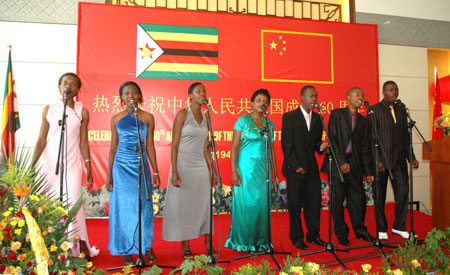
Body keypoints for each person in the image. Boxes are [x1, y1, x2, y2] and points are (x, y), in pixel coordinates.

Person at [32, 72, 99, 259]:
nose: (68, 86)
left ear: (78, 90)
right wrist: (32, 166)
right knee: (51, 205)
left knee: (73, 205)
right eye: (65, 83)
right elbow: (41, 140)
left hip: (72, 165)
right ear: (60, 87)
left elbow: (84, 142)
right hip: (51, 164)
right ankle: (52, 246)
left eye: (73, 84)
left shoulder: (81, 110)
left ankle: (76, 246)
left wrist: (88, 167)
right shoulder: (49, 109)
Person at [106, 81, 160, 264]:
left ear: (139, 96)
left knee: (143, 208)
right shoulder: (115, 118)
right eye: (126, 93)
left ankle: (146, 246)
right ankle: (126, 248)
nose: (130, 96)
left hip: (141, 166)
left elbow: (150, 145)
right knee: (123, 209)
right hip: (121, 168)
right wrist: (108, 175)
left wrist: (156, 171)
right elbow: (113, 148)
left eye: (134, 93)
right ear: (121, 97)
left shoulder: (148, 117)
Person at [162, 82, 216, 258]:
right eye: (198, 91)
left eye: (204, 91)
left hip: (200, 164)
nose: (202, 94)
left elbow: (205, 146)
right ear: (190, 95)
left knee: (204, 204)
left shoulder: (206, 117)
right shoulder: (182, 114)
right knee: (184, 205)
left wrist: (211, 169)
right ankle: (185, 244)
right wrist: (175, 171)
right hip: (183, 163)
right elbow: (175, 144)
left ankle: (208, 242)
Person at [225, 88, 279, 252]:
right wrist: (234, 172)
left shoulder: (269, 123)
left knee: (261, 207)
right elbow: (234, 148)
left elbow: (271, 149)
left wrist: (275, 174)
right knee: (246, 206)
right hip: (245, 171)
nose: (262, 103)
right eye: (258, 100)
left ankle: (261, 242)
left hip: (263, 172)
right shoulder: (242, 120)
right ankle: (244, 242)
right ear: (251, 103)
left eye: (265, 101)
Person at [321, 87, 375, 246]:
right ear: (348, 97)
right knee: (337, 201)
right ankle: (342, 233)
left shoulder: (365, 121)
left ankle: (360, 231)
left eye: (362, 95)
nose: (360, 97)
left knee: (358, 200)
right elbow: (333, 140)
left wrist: (369, 171)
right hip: (338, 164)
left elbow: (365, 148)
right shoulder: (337, 114)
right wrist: (341, 162)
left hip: (356, 166)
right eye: (357, 94)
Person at [369, 80, 419, 240]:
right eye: (390, 90)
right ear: (383, 92)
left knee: (403, 191)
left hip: (398, 161)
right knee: (380, 195)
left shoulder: (401, 109)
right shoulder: (374, 110)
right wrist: (377, 160)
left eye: (396, 89)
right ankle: (381, 228)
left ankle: (399, 226)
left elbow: (405, 137)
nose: (394, 92)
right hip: (382, 161)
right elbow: (371, 138)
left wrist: (411, 157)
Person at [281, 85, 328, 250]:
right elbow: (286, 145)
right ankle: (296, 237)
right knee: (294, 204)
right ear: (302, 97)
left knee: (314, 203)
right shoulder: (289, 117)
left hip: (312, 169)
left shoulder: (318, 119)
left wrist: (320, 147)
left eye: (315, 96)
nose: (314, 100)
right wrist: (296, 166)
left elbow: (314, 144)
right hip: (295, 168)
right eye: (311, 96)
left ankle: (314, 235)